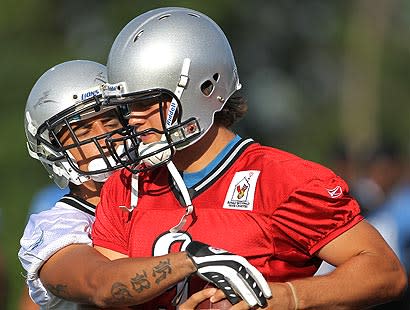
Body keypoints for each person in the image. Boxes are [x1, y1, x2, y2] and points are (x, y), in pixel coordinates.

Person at [92, 6, 408, 309]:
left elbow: (384, 271)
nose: (131, 119)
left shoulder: (282, 180)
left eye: (144, 102)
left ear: (202, 90)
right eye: (125, 106)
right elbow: (103, 287)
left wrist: (288, 296)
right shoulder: (129, 185)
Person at [18, 60, 270, 309]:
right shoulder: (57, 226)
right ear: (53, 152)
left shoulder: (169, 188)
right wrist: (190, 261)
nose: (104, 138)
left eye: (111, 122)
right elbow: (100, 284)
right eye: (83, 131)